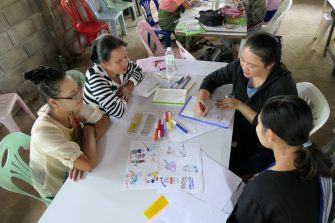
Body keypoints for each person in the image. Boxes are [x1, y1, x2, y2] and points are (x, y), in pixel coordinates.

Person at [194, 32, 297, 176]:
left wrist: (239, 105)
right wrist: (201, 99)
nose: (244, 67)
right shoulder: (240, 67)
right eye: (242, 59)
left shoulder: (283, 88)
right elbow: (212, 79)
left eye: (251, 65)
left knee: (222, 169)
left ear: (269, 65)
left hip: (261, 143)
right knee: (203, 144)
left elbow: (268, 128)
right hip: (239, 125)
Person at [227, 95, 334, 223]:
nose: (257, 126)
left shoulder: (259, 191)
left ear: (270, 135)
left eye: (259, 123)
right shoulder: (320, 160)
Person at [25, 66, 110, 199]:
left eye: (79, 89)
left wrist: (81, 154)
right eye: (73, 95)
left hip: (75, 166)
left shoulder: (70, 105)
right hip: (58, 186)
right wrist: (89, 129)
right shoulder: (44, 132)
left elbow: (104, 120)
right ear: (54, 102)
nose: (80, 96)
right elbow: (88, 164)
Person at [84, 34, 143, 118]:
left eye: (126, 56)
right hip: (98, 120)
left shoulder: (123, 63)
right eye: (118, 61)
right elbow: (117, 111)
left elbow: (138, 71)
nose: (125, 62)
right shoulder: (95, 78)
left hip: (114, 115)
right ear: (104, 64)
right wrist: (122, 97)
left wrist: (128, 86)